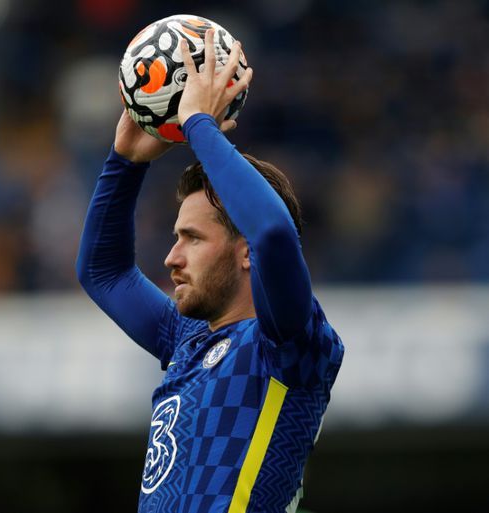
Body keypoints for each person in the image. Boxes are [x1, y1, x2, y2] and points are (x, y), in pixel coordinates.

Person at [76, 30, 344, 513]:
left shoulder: (288, 344)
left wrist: (200, 125)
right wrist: (124, 162)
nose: (171, 258)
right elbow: (103, 272)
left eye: (193, 238)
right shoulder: (187, 339)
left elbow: (273, 234)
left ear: (247, 253)